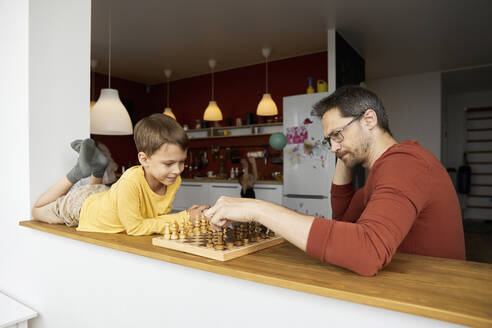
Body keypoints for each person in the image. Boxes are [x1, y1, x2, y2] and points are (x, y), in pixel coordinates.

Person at [204, 86, 465, 276]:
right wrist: (343, 150)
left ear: (369, 120)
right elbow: (343, 220)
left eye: (337, 135)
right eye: (329, 140)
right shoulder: (382, 170)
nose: (331, 148)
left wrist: (256, 209)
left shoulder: (405, 163)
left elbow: (367, 252)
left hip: (433, 299)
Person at [32, 113, 208, 235]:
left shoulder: (172, 180)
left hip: (105, 197)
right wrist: (184, 217)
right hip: (83, 207)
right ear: (144, 159)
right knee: (37, 210)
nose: (177, 170)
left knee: (97, 195)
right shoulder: (131, 182)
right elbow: (135, 228)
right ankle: (78, 171)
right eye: (168, 163)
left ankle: (99, 168)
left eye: (182, 162)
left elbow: (155, 219)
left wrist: (189, 218)